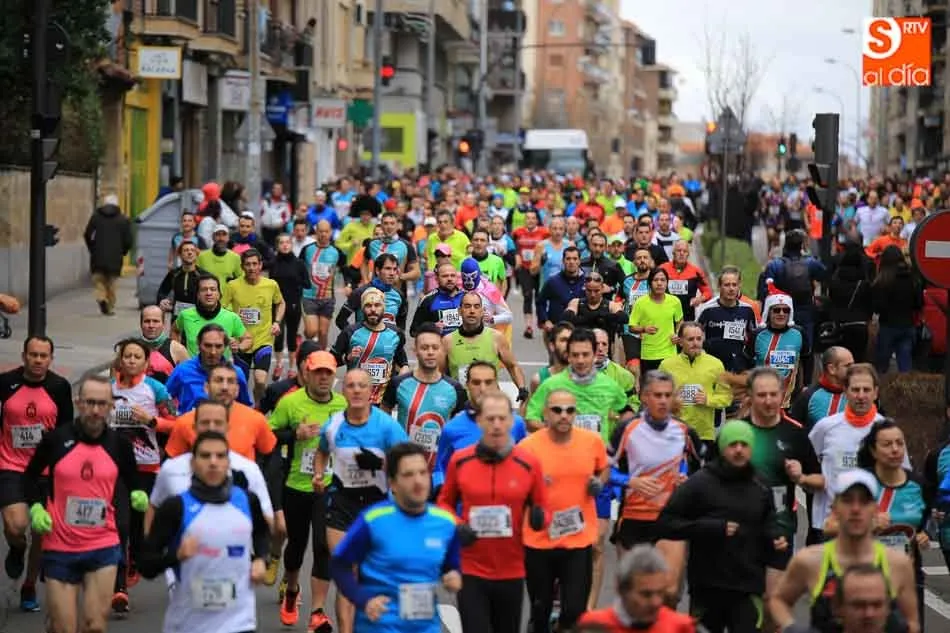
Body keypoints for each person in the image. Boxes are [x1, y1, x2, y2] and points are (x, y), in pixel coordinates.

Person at [25, 375, 146, 633]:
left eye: (102, 403)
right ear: (79, 403)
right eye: (89, 402)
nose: (95, 410)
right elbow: (30, 477)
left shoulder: (119, 446)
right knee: (64, 628)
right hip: (60, 546)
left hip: (102, 544)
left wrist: (138, 495)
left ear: (110, 406)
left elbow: (134, 482)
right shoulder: (56, 440)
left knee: (94, 626)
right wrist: (36, 507)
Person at [437, 390, 549, 633]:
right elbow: (443, 504)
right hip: (471, 568)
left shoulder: (529, 463)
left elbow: (542, 508)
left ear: (512, 421)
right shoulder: (461, 461)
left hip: (512, 569)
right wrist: (457, 524)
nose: (496, 425)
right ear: (479, 421)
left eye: (502, 418)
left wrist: (540, 517)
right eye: (490, 419)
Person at [138, 430, 270, 633]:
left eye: (220, 456)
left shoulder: (247, 500)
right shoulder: (176, 507)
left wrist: (261, 558)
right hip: (189, 624)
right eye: (205, 456)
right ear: (193, 463)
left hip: (240, 622)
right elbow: (146, 565)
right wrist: (176, 556)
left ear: (228, 463)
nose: (213, 462)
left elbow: (261, 533)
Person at [329, 442, 462, 633]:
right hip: (380, 625)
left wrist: (453, 575)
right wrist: (363, 599)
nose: (418, 481)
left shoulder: (445, 523)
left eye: (423, 473)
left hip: (425, 627)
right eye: (408, 475)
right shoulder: (373, 521)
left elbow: (451, 564)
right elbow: (339, 565)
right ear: (392, 484)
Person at [769, 469, 919, 633]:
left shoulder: (897, 563)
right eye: (847, 500)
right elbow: (778, 600)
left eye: (863, 501)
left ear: (875, 509)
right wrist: (792, 628)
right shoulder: (810, 561)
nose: (855, 509)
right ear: (834, 508)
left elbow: (912, 622)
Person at [519, 389, 609, 633]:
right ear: (546, 413)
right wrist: (531, 495)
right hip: (539, 540)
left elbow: (603, 468)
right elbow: (516, 485)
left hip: (577, 539)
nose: (564, 416)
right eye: (557, 410)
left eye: (570, 410)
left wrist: (598, 483)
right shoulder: (528, 447)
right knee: (540, 609)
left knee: (574, 610)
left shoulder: (591, 442)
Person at [0, 336, 73, 611]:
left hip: (45, 471)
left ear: (51, 359)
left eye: (44, 356)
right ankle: (17, 547)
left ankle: (29, 585)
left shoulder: (58, 387)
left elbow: (67, 431)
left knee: (41, 532)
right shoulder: (6, 384)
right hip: (11, 466)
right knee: (15, 525)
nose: (38, 360)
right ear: (24, 356)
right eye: (33, 355)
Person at [575, 545, 699, 632]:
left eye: (661, 593)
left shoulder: (682, 626)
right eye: (646, 594)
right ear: (621, 589)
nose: (656, 602)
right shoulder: (594, 625)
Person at [84, 194, 133, 316]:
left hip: (97, 256)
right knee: (111, 283)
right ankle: (109, 307)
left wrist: (92, 248)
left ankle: (101, 298)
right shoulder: (123, 219)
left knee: (99, 280)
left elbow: (87, 234)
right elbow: (128, 240)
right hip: (115, 258)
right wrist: (124, 251)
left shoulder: (96, 217)